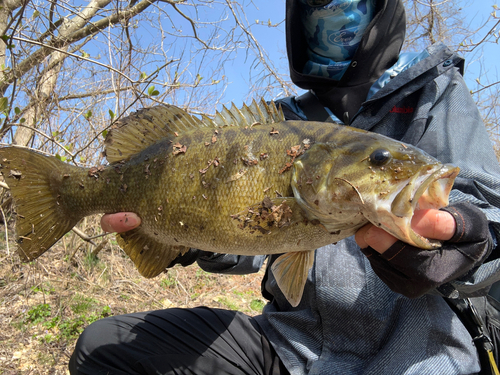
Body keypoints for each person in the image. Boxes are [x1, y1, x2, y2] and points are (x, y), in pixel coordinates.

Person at [69, 0, 500, 374]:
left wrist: (464, 230)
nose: (331, 21)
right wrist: (191, 238)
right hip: (291, 350)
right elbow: (245, 249)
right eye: (317, 9)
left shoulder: (434, 90)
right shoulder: (279, 125)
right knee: (106, 349)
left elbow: (484, 204)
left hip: (419, 358)